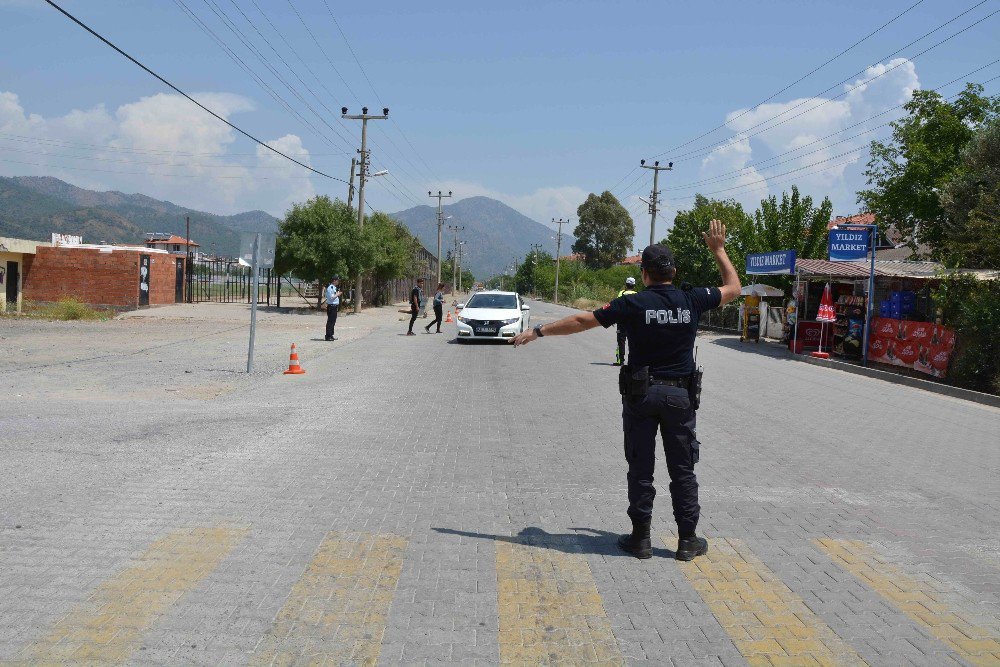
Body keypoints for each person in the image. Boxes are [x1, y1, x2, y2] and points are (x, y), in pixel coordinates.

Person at [511, 220, 740, 561]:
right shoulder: (692, 299)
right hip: (680, 397)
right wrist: (718, 250)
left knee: (640, 467)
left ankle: (641, 539)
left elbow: (581, 321)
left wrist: (539, 331)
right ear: (673, 272)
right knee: (683, 469)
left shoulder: (632, 303)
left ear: (645, 274)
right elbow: (734, 287)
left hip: (641, 396)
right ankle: (687, 540)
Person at [614, 276, 638, 365]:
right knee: (634, 342)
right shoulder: (637, 294)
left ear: (626, 284)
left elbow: (617, 307)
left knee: (621, 341)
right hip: (633, 322)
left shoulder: (621, 293)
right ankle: (634, 361)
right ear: (634, 285)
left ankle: (620, 360)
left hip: (622, 321)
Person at [324, 276, 342, 341]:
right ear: (334, 280)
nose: (338, 281)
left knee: (333, 321)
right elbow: (331, 297)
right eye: (337, 280)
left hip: (334, 306)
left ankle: (331, 335)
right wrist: (338, 294)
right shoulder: (330, 287)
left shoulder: (334, 287)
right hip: (331, 306)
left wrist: (337, 294)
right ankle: (328, 336)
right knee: (330, 321)